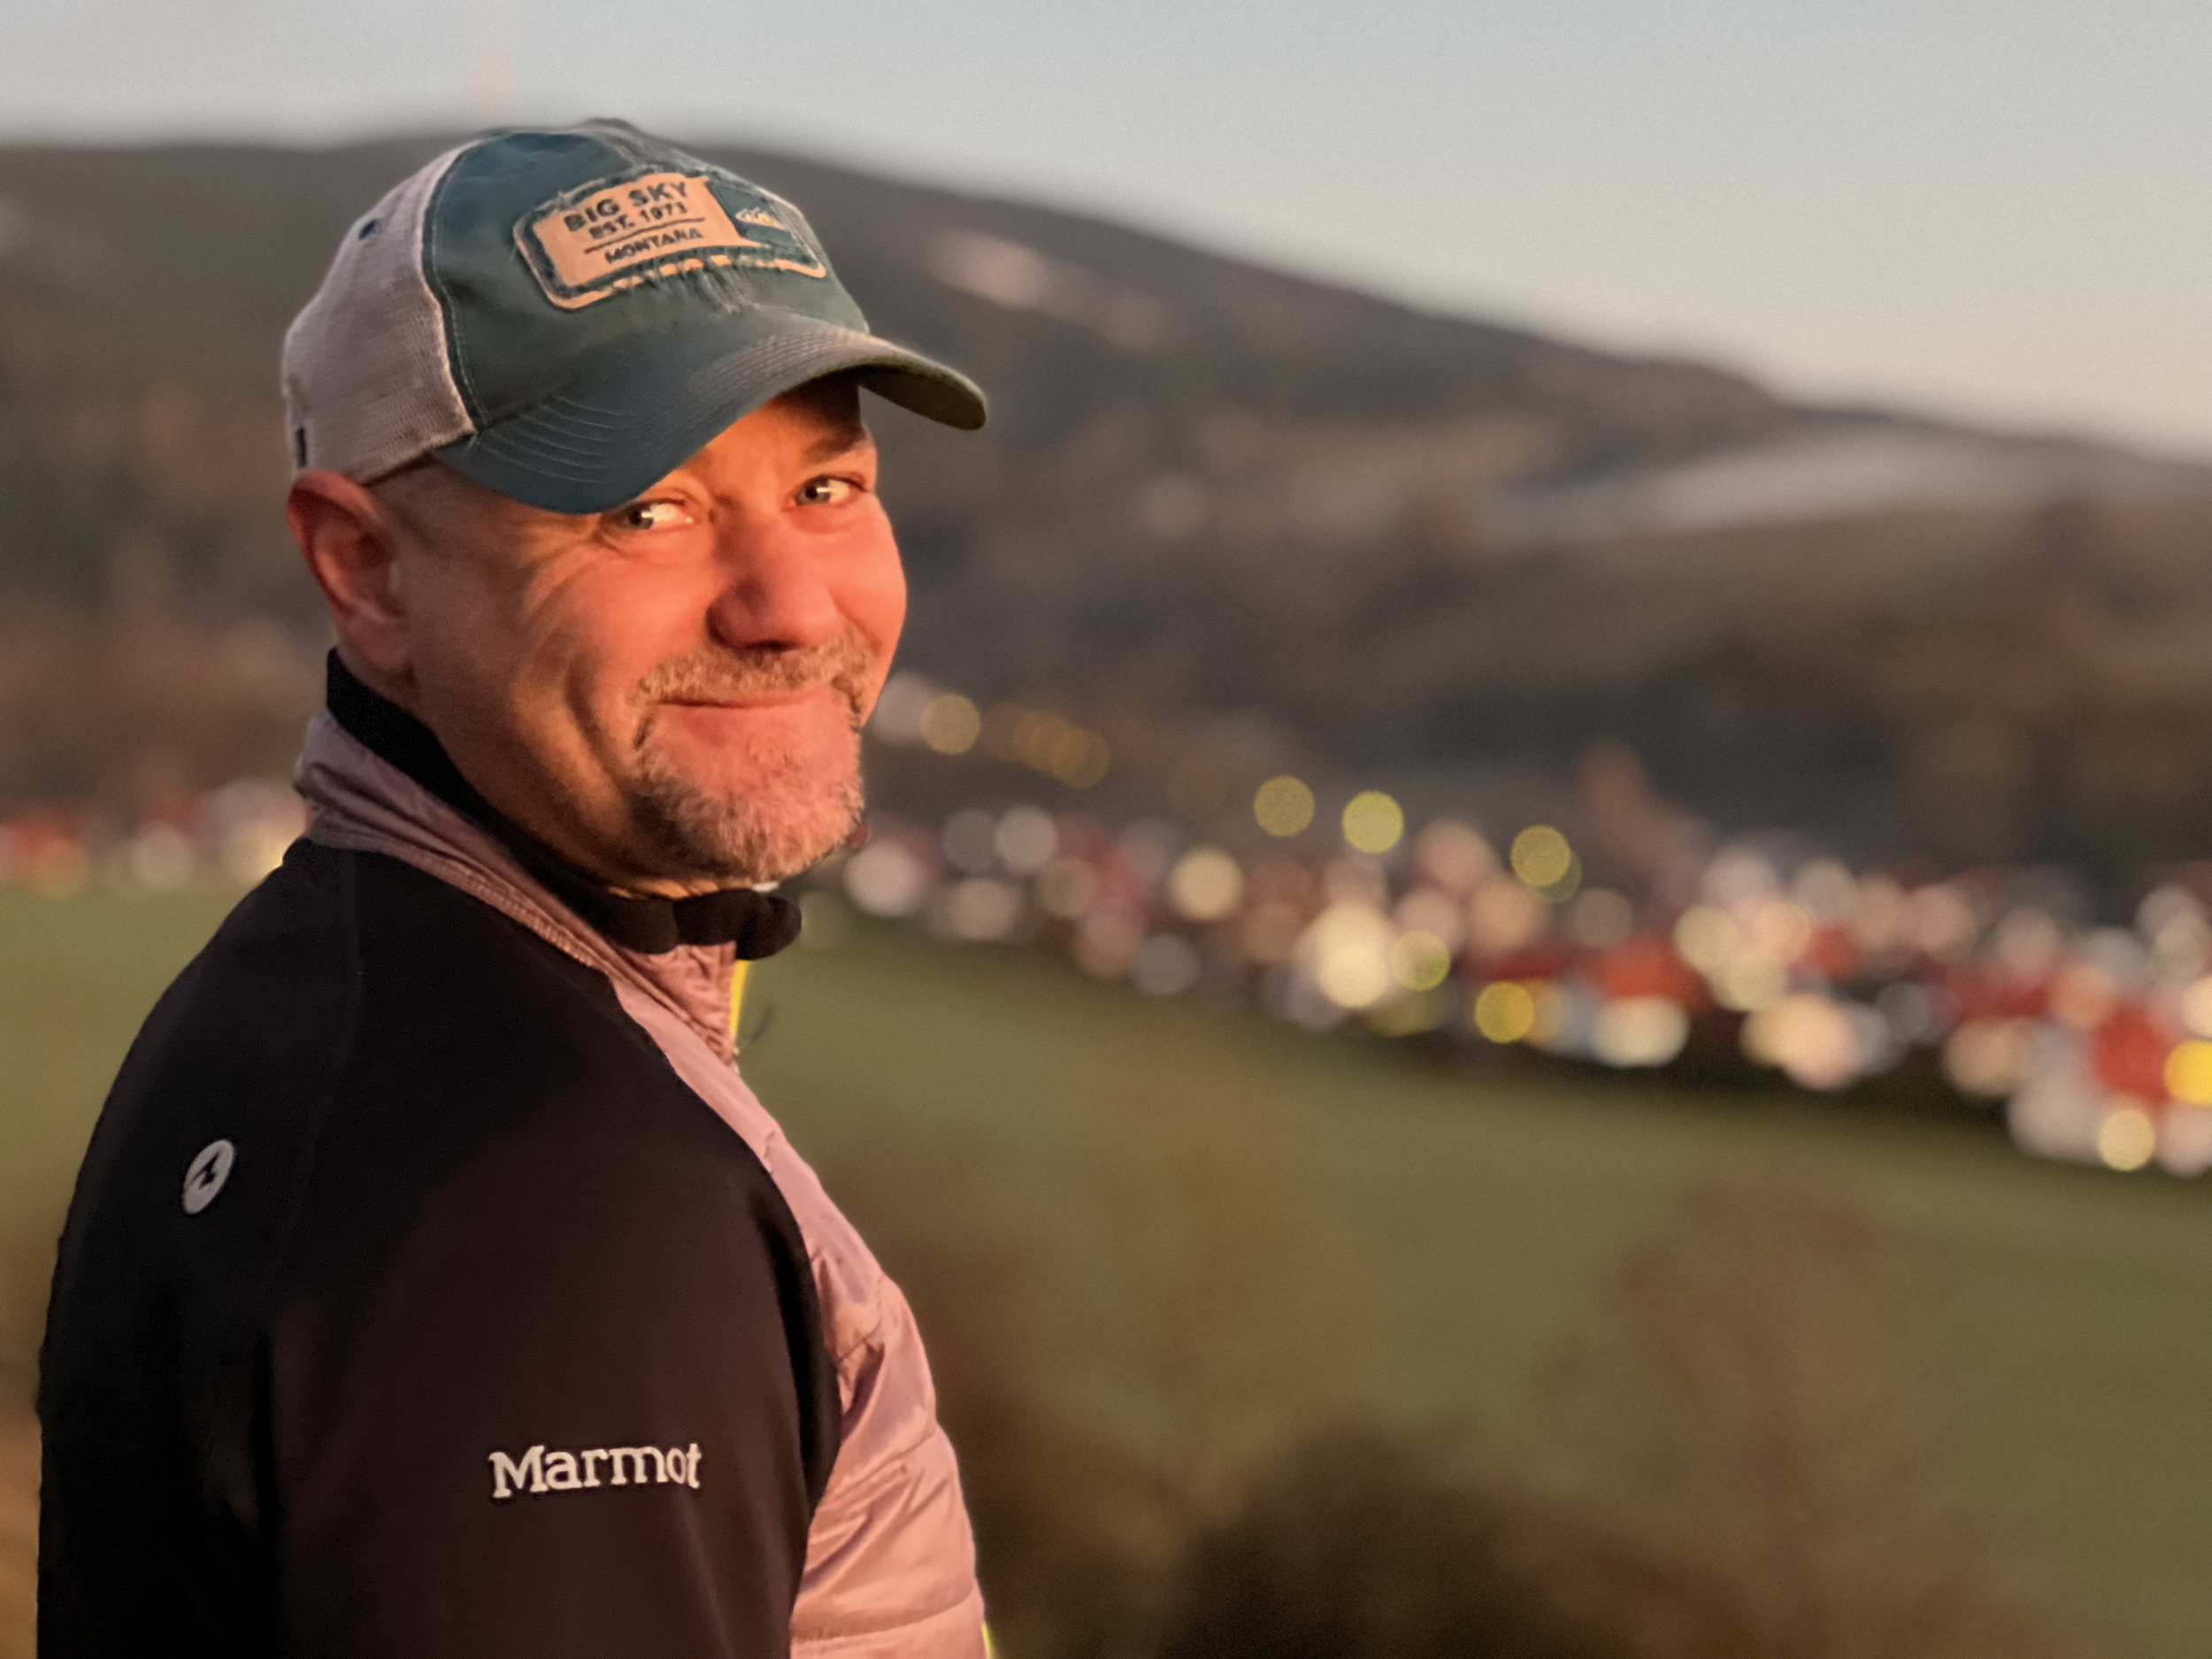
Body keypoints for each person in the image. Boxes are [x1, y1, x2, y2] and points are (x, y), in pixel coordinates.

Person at [38, 121, 991, 1657]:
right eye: (647, 511)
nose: (791, 605)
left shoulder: (316, 989)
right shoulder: (559, 1211)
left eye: (827, 486)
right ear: (367, 569)